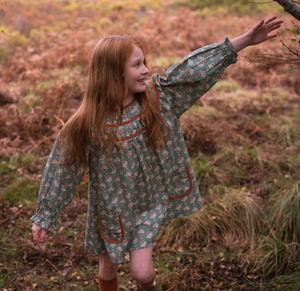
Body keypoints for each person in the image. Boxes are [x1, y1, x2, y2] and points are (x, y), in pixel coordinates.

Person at [31, 16, 282, 291]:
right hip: (111, 210)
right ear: (113, 73)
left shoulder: (157, 98)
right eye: (137, 65)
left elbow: (193, 71)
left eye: (144, 62)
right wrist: (46, 216)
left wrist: (243, 41)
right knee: (108, 267)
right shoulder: (85, 124)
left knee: (140, 273)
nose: (146, 70)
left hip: (148, 205)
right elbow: (62, 170)